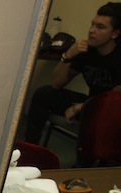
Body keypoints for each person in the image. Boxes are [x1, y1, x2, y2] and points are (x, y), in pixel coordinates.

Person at [24, 2, 121, 145]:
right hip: (90, 103)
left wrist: (81, 107)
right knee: (43, 94)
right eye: (92, 25)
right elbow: (56, 84)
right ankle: (30, 149)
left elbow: (115, 101)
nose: (91, 30)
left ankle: (87, 158)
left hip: (111, 111)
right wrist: (68, 55)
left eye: (100, 27)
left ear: (115, 34)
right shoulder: (87, 50)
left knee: (100, 116)